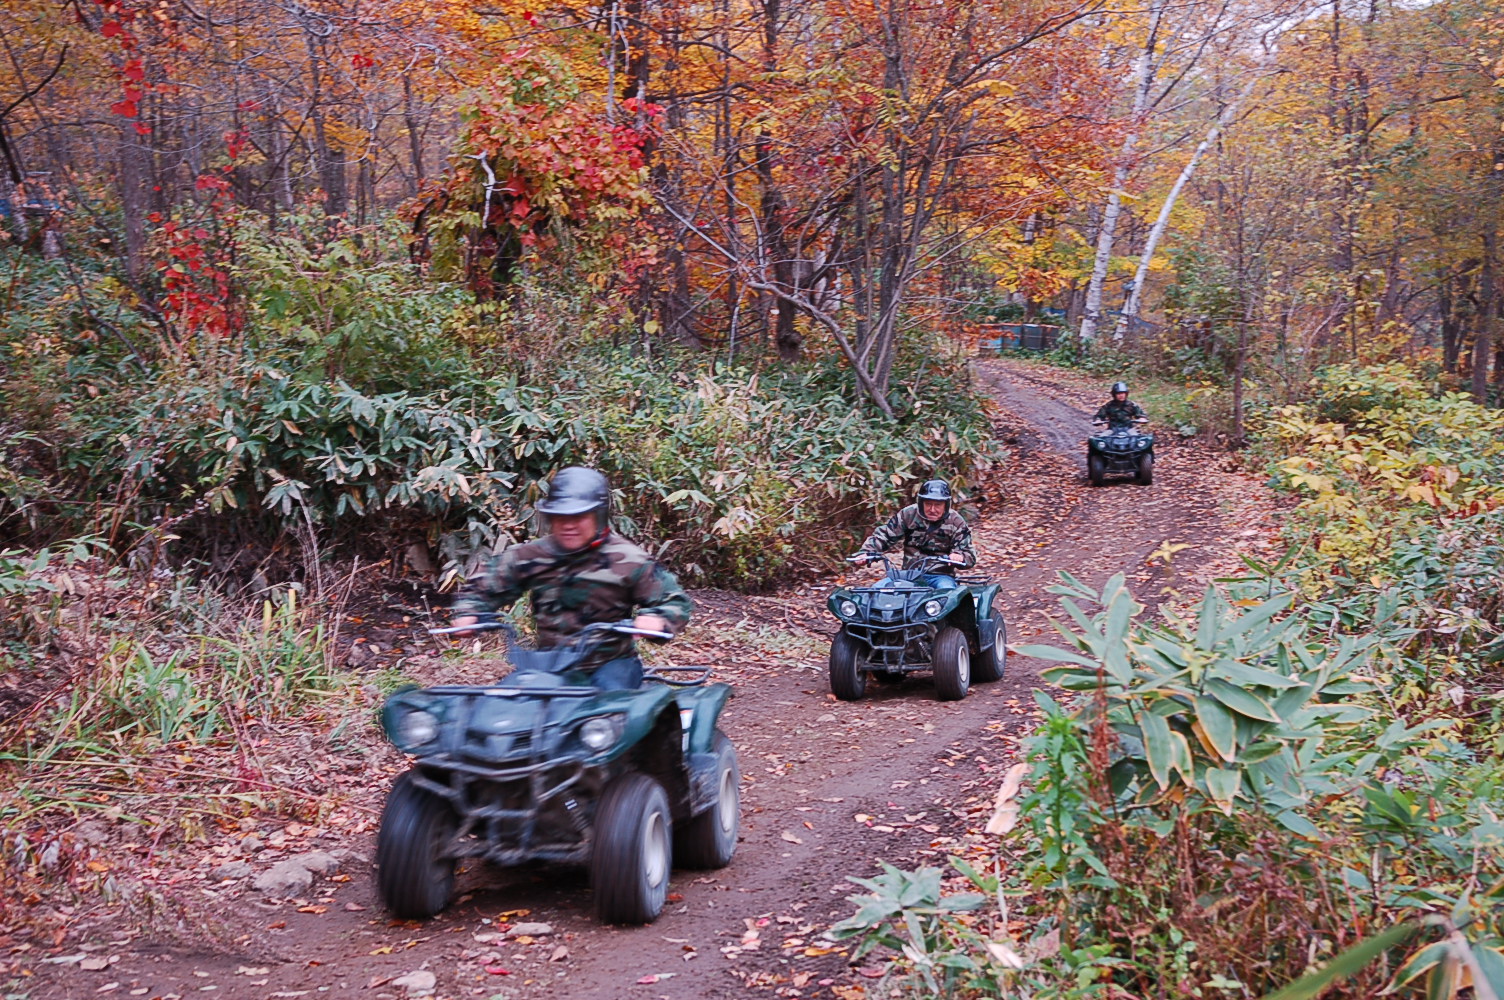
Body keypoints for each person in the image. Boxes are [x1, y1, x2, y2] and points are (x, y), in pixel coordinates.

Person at [449, 466, 692, 690]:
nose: (568, 525)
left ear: (598, 514)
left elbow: (674, 602)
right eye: (560, 517)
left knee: (611, 721)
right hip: (548, 664)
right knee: (505, 711)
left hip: (609, 665)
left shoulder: (629, 559)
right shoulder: (529, 555)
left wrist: (657, 620)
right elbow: (484, 586)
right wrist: (469, 612)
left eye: (578, 516)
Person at [852, 479, 976, 589]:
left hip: (940, 576)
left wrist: (959, 556)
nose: (932, 509)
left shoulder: (955, 520)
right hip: (908, 575)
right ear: (921, 502)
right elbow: (885, 535)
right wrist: (866, 553)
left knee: (947, 594)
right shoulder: (909, 514)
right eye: (928, 504)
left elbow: (969, 555)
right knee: (877, 590)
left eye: (938, 505)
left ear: (946, 505)